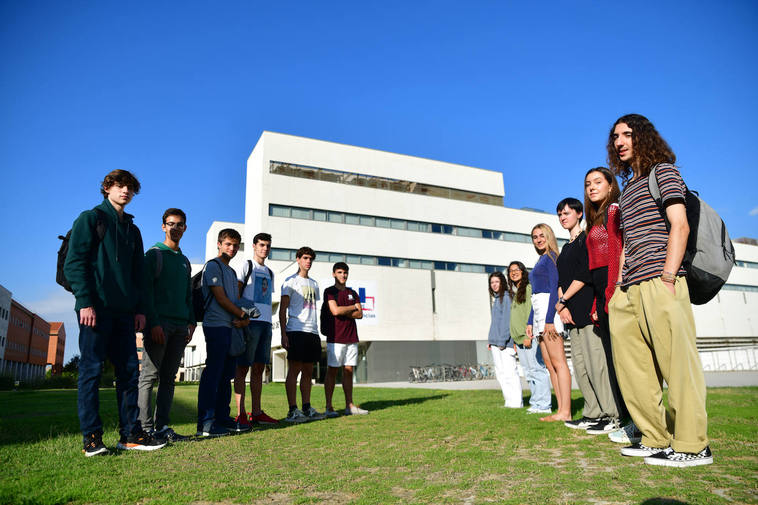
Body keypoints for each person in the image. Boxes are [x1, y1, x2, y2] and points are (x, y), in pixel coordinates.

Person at [607, 113, 712, 467]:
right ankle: (655, 437)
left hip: (660, 280)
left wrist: (669, 277)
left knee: (677, 365)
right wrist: (619, 288)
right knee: (633, 369)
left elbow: (679, 226)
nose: (620, 141)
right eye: (615, 136)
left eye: (627, 134)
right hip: (630, 288)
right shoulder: (628, 188)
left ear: (643, 137)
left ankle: (694, 445)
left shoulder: (663, 172)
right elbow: (627, 242)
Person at [64, 169, 165, 455]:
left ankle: (131, 434)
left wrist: (141, 310)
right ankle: (92, 439)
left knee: (129, 373)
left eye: (131, 188)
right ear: (107, 188)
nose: (126, 191)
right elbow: (75, 263)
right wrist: (85, 301)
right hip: (95, 309)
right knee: (91, 372)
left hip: (125, 313)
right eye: (120, 186)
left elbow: (139, 277)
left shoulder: (133, 230)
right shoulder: (91, 219)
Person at [554, 198, 619, 434]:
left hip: (587, 311)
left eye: (567, 213)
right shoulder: (565, 247)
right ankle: (593, 413)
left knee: (596, 365)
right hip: (570, 315)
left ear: (579, 214)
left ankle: (611, 415)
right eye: (560, 214)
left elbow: (585, 275)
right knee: (581, 367)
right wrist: (562, 308)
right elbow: (561, 280)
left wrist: (562, 300)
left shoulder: (587, 239)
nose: (563, 217)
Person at [584, 167, 638, 444]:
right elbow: (594, 266)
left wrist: (614, 289)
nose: (592, 187)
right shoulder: (594, 219)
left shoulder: (614, 210)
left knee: (624, 360)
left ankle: (637, 423)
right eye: (588, 184)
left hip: (613, 288)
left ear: (610, 185)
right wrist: (596, 299)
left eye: (597, 182)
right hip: (600, 291)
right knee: (612, 360)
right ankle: (626, 419)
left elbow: (618, 251)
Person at [138, 208, 195, 442]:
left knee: (169, 378)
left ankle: (162, 427)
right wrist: (153, 323)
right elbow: (145, 292)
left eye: (180, 224)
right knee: (149, 377)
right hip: (159, 325)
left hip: (181, 327)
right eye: (171, 224)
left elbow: (188, 295)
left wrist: (191, 322)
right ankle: (144, 428)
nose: (175, 228)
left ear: (185, 228)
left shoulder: (184, 261)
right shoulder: (153, 255)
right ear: (163, 226)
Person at [196, 228, 252, 437]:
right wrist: (242, 315)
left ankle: (222, 418)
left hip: (231, 327)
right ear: (219, 244)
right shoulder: (213, 266)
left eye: (236, 245)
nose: (232, 248)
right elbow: (220, 298)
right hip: (216, 326)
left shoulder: (231, 272)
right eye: (228, 244)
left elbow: (234, 300)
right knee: (214, 373)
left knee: (226, 376)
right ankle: (206, 423)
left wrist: (242, 318)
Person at [526, 223, 570, 422]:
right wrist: (530, 322)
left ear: (549, 236)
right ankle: (560, 409)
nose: (538, 239)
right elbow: (534, 294)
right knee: (549, 364)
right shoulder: (540, 260)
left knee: (559, 362)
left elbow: (554, 289)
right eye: (535, 237)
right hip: (538, 312)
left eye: (542, 235)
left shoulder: (552, 258)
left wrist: (551, 319)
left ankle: (566, 412)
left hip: (548, 311)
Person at [233, 233, 278, 427]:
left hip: (266, 324)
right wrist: (243, 316)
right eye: (261, 245)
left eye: (268, 245)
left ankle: (257, 412)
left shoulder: (270, 272)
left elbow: (266, 298)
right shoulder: (247, 265)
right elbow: (236, 293)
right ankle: (241, 413)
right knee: (242, 368)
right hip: (250, 323)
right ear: (254, 246)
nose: (265, 248)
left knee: (259, 368)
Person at [279, 247, 324, 423]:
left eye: (311, 259)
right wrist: (283, 334)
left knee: (308, 371)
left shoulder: (314, 284)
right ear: (298, 259)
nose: (308, 261)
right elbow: (282, 310)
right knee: (294, 370)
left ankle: (306, 407)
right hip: (296, 330)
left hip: (312, 331)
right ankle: (292, 410)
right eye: (305, 258)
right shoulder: (290, 282)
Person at [323, 262, 368, 417]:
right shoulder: (329, 292)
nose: (343, 275)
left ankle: (349, 406)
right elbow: (335, 311)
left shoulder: (353, 292)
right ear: (334, 274)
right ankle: (329, 407)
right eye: (340, 272)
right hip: (335, 338)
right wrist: (351, 308)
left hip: (351, 337)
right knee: (332, 371)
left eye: (345, 272)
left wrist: (345, 309)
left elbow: (360, 314)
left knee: (349, 371)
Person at [508, 261, 551, 414]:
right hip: (518, 339)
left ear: (523, 271)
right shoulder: (516, 291)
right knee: (528, 372)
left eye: (516, 269)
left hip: (528, 337)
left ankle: (544, 404)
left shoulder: (527, 288)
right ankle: (536, 402)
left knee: (537, 369)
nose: (514, 272)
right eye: (511, 271)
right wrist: (515, 339)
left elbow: (530, 312)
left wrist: (529, 335)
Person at [487, 271, 522, 408]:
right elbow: (495, 323)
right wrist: (491, 341)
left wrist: (501, 341)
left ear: (502, 282)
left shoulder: (506, 297)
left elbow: (507, 321)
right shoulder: (497, 299)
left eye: (496, 282)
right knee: (501, 374)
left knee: (510, 373)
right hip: (496, 343)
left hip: (505, 344)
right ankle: (509, 401)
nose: (494, 285)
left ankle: (516, 402)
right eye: (492, 282)